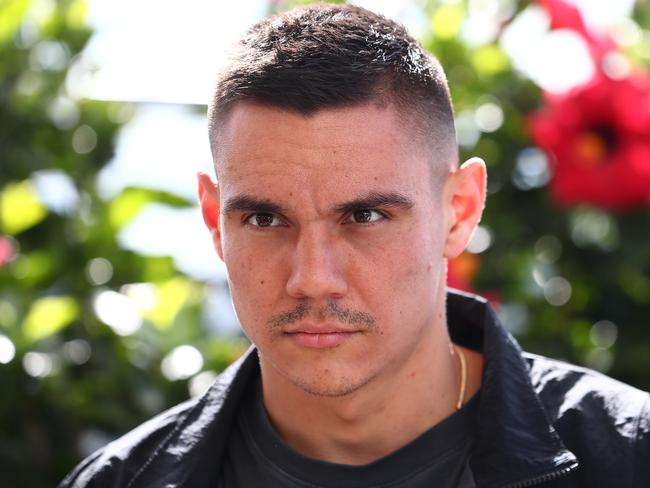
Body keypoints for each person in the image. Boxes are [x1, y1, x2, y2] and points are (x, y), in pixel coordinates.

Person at [60, 4, 649, 487]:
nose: (312, 277)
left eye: (365, 215)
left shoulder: (628, 459)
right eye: (265, 219)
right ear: (215, 220)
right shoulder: (118, 481)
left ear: (459, 211)